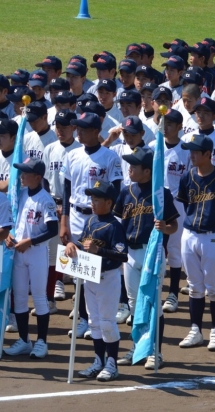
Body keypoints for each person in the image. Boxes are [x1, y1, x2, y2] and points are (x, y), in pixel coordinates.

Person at [114, 147, 179, 369]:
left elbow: (174, 225)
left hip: (153, 254)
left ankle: (156, 352)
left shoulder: (161, 194)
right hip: (130, 254)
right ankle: (138, 348)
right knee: (134, 304)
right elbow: (119, 223)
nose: (129, 168)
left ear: (148, 171)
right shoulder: (126, 192)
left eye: (134, 165)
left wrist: (165, 228)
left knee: (153, 303)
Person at [61, 112, 123, 339]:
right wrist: (64, 221)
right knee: (78, 270)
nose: (79, 132)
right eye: (78, 128)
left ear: (96, 131)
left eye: (84, 129)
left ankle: (100, 318)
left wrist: (110, 221)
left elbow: (116, 190)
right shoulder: (72, 155)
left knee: (100, 268)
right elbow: (66, 190)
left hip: (100, 218)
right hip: (76, 215)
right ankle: (83, 319)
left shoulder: (110, 157)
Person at [176, 134, 215, 351]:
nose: (191, 155)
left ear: (208, 154)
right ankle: (195, 331)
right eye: (190, 151)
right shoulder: (187, 177)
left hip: (214, 236)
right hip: (189, 235)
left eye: (195, 152)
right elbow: (187, 206)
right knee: (194, 287)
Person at [69, 181, 128, 382]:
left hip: (108, 278)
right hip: (90, 278)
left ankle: (112, 364)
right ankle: (98, 361)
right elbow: (82, 244)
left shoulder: (114, 226)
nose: (92, 203)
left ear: (109, 202)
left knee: (107, 322)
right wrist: (72, 245)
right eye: (92, 199)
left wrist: (99, 250)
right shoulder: (90, 221)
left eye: (96, 199)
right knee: (94, 322)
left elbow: (122, 255)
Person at [3, 159, 58, 359]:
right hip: (19, 252)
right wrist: (9, 235)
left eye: (26, 173)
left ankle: (42, 342)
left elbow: (53, 230)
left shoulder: (46, 199)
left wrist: (31, 241)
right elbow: (13, 221)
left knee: (39, 297)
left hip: (37, 253)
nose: (22, 176)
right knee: (19, 297)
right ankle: (24, 340)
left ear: (38, 177)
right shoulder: (21, 194)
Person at [148, 109, 190, 313]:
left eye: (170, 124)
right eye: (163, 123)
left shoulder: (186, 150)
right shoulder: (152, 146)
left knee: (174, 249)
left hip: (177, 203)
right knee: (153, 246)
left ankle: (173, 293)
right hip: (155, 203)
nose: (165, 128)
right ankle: (153, 291)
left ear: (180, 127)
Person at [42, 110, 82, 309]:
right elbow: (44, 180)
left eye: (64, 127)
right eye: (58, 126)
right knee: (52, 253)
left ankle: (78, 299)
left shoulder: (80, 149)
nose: (60, 130)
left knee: (74, 251)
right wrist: (50, 203)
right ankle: (51, 296)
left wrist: (64, 207)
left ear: (73, 127)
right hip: (51, 203)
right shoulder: (50, 149)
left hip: (73, 207)